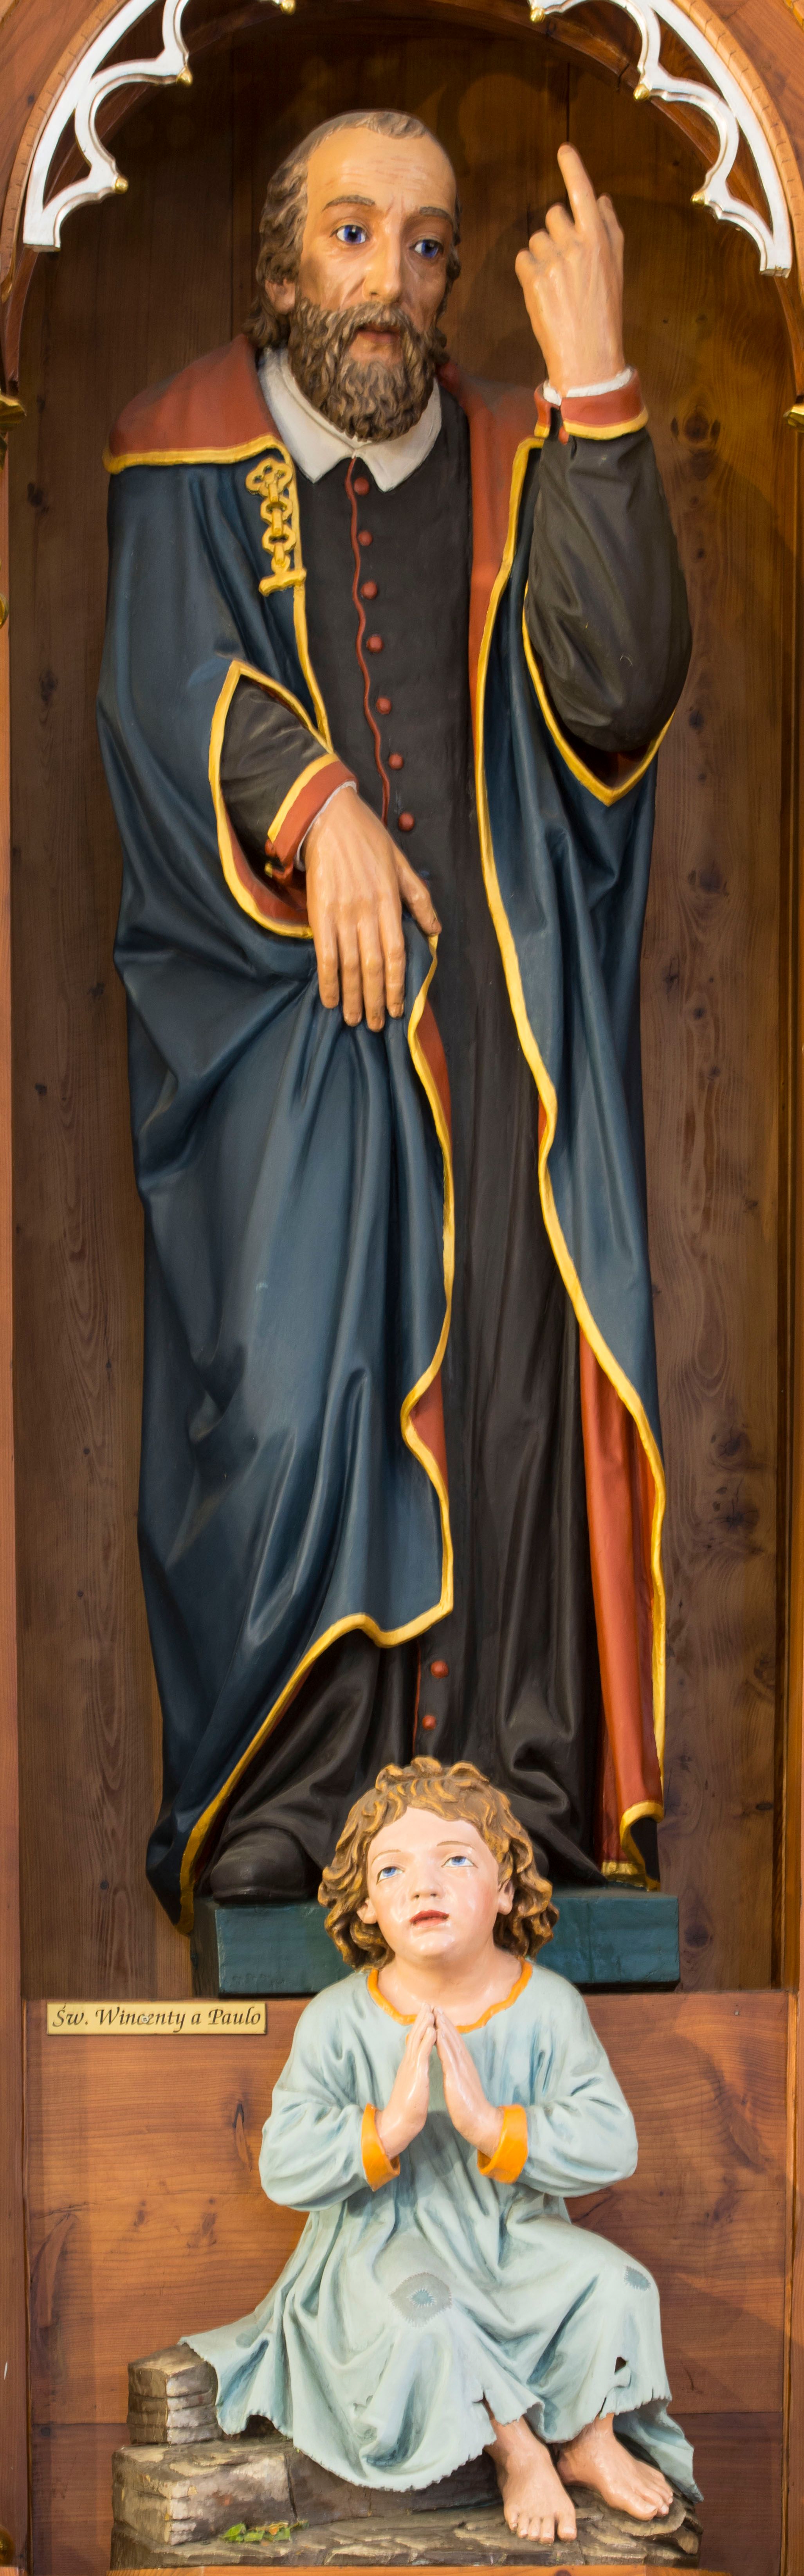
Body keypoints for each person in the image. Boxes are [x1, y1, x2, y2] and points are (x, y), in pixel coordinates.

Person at [97, 110, 691, 1931]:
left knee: (510, 1398)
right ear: (281, 265)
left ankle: (508, 1804)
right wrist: (313, 802)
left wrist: (596, 385)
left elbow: (617, 692)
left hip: (502, 1038)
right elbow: (162, 689)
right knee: (288, 1402)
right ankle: (289, 1802)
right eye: (353, 235)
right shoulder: (185, 442)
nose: (393, 280)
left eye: (428, 245)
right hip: (289, 1049)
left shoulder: (520, 450)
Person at [183, 1756, 697, 2549]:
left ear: (506, 1888)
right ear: (366, 1904)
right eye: (391, 1870)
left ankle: (591, 2438)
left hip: (512, 2237)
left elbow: (610, 2141)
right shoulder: (339, 2020)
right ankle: (518, 2452)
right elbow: (283, 2162)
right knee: (431, 2316)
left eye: (454, 1860)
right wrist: (386, 2129)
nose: (422, 1886)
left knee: (618, 2283)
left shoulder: (546, 2006)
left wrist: (493, 2127)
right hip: (379, 2243)